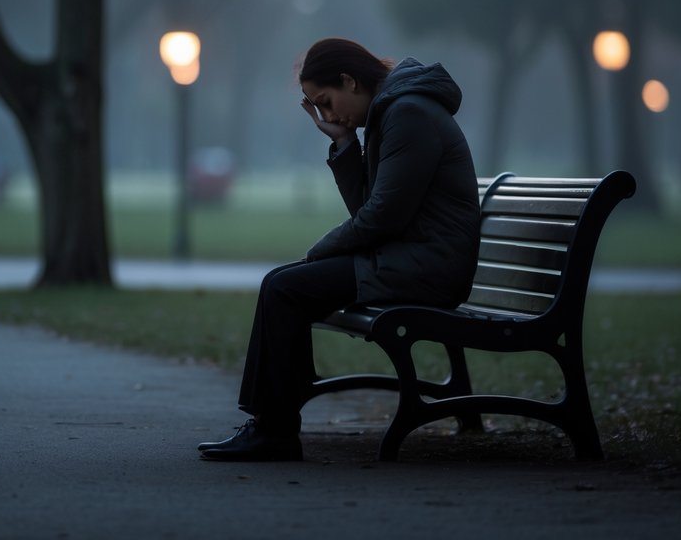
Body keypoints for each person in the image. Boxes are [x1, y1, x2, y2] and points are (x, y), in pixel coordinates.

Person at [198, 38, 481, 461]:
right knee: (282, 283)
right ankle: (271, 423)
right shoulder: (394, 112)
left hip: (429, 266)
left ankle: (274, 430)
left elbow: (383, 216)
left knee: (285, 288)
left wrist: (318, 251)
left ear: (349, 81)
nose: (329, 115)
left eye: (327, 102)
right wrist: (346, 143)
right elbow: (371, 209)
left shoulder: (408, 113)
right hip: (412, 258)